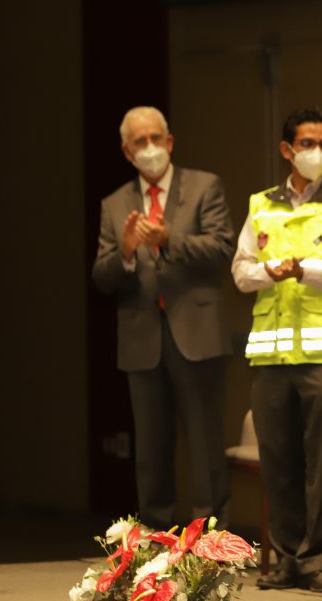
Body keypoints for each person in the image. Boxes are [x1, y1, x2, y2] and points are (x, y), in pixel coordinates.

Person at [231, 109, 322, 593]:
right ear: (287, 149)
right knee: (278, 462)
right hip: (270, 357)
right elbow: (242, 272)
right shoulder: (261, 205)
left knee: (320, 464)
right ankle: (285, 559)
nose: (317, 153)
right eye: (307, 143)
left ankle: (319, 561)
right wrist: (272, 273)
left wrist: (304, 270)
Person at [92, 106, 234, 531]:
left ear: (170, 142)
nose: (150, 148)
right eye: (141, 142)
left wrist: (171, 239)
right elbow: (101, 276)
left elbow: (222, 249)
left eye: (157, 139)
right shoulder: (114, 204)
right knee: (152, 449)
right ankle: (154, 542)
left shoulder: (205, 186)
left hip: (197, 333)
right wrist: (127, 253)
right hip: (142, 338)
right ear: (126, 151)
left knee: (205, 447)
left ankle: (210, 544)